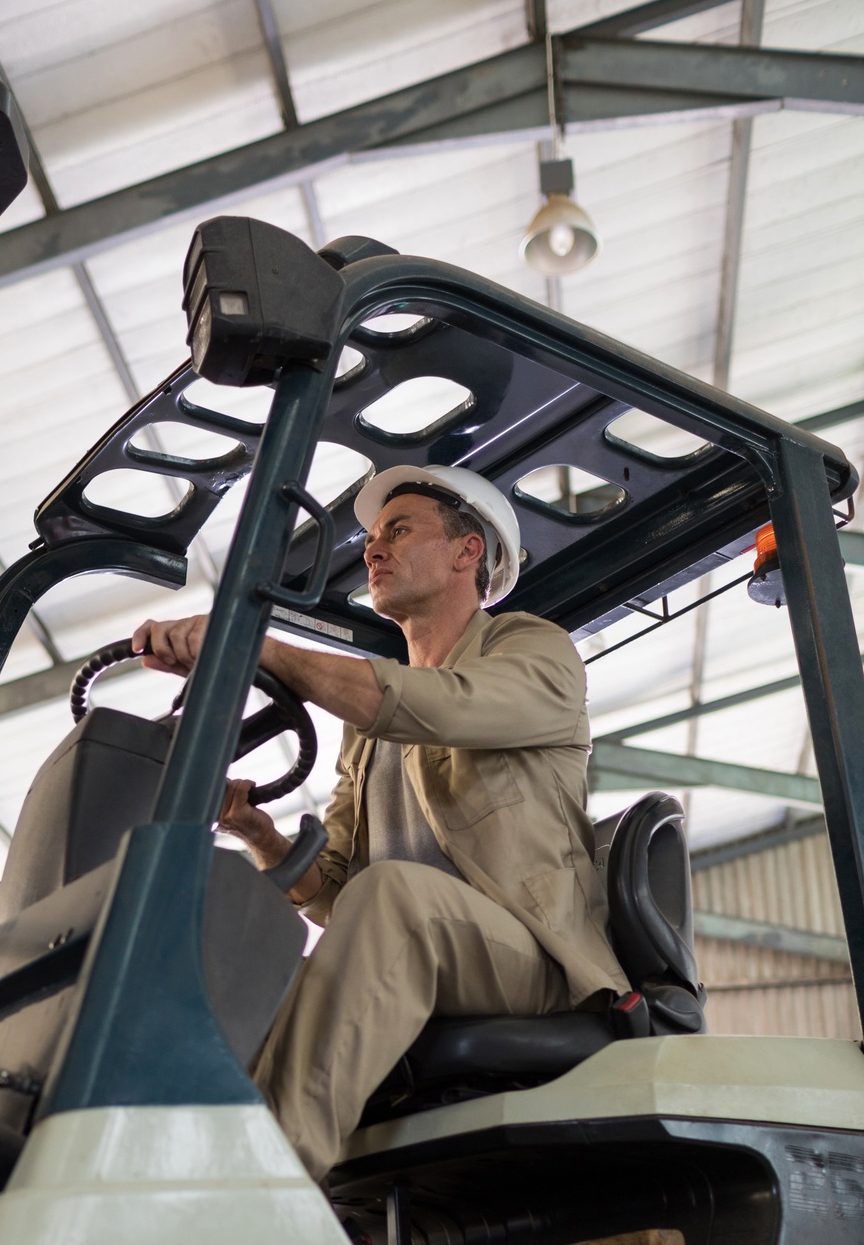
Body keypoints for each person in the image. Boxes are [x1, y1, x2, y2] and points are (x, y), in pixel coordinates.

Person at [131, 464, 629, 1183]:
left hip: (534, 963)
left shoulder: (532, 651)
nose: (371, 550)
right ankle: (171, 1171)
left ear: (467, 553)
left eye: (397, 531)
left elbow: (448, 706)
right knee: (243, 970)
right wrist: (257, 834)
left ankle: (265, 1184)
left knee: (393, 896)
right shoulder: (365, 727)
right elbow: (336, 893)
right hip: (418, 943)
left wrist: (260, 648)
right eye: (368, 538)